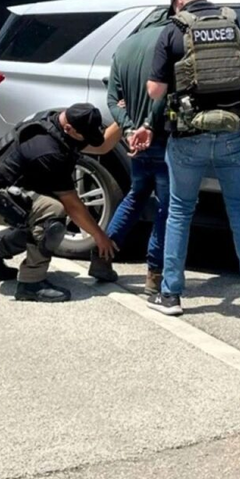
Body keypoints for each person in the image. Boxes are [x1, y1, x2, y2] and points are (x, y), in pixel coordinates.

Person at [145, 0, 240, 325]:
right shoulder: (233, 23)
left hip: (188, 135)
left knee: (179, 212)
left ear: (178, 2)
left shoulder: (173, 31)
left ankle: (171, 295)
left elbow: (155, 91)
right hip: (234, 133)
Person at [0, 103, 120, 302]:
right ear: (69, 128)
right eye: (85, 136)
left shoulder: (58, 123)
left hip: (7, 194)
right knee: (52, 214)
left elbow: (101, 146)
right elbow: (73, 205)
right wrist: (100, 236)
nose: (87, 140)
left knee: (40, 213)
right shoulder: (48, 150)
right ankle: (31, 284)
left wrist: (123, 117)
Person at [88, 20, 171, 296]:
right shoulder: (169, 42)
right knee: (167, 208)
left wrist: (129, 129)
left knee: (136, 195)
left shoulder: (124, 46)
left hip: (135, 139)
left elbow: (112, 100)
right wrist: (148, 126)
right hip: (163, 138)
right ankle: (154, 274)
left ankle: (102, 256)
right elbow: (164, 94)